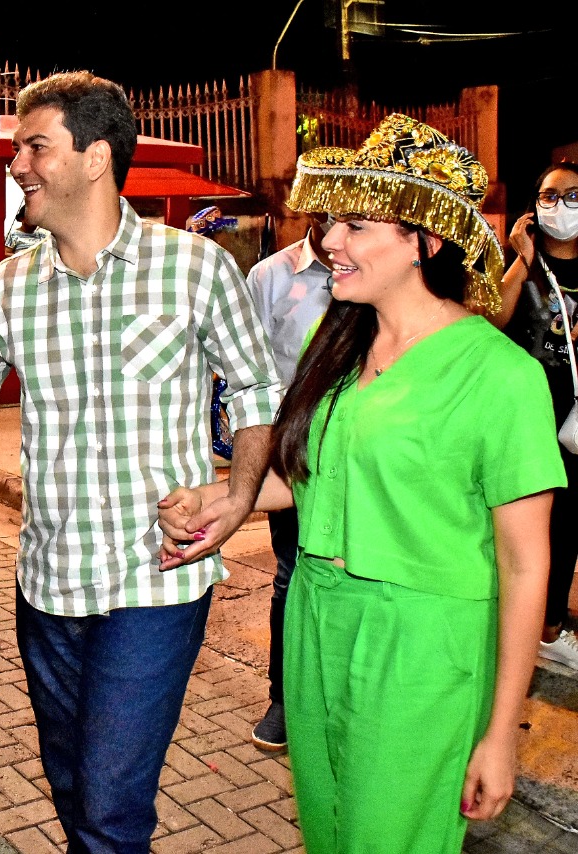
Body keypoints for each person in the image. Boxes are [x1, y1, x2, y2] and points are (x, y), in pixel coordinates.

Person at [0, 71, 282, 852]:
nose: (18, 167)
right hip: (49, 583)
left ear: (96, 157)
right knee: (71, 787)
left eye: (36, 148)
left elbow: (257, 387)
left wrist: (235, 497)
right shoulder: (8, 288)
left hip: (156, 580)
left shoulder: (195, 270)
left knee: (109, 809)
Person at [159, 114, 560, 853]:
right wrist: (225, 499)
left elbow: (527, 564)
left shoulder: (502, 375)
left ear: (424, 242)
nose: (329, 241)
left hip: (423, 643)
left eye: (355, 224)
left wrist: (502, 732)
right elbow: (314, 469)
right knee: (333, 834)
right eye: (329, 223)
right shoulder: (340, 339)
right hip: (317, 619)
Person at [243, 219, 332, 751]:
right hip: (294, 452)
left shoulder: (372, 271)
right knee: (292, 572)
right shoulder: (270, 276)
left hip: (361, 450)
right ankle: (284, 696)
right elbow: (249, 366)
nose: (336, 231)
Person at [489, 161, 578, 670]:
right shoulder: (520, 262)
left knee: (568, 527)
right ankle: (521, 629)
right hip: (527, 418)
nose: (558, 206)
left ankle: (549, 626)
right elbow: (492, 319)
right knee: (523, 524)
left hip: (575, 423)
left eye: (571, 196)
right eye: (548, 196)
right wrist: (521, 259)